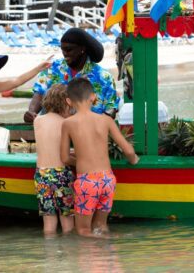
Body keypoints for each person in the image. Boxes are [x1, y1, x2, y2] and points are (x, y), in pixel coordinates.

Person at [60, 77, 138, 237]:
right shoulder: (106, 120)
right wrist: (134, 160)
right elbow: (129, 151)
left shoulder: (68, 123)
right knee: (101, 226)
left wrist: (81, 160)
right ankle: (108, 248)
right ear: (93, 97)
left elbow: (65, 158)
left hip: (87, 182)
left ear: (68, 101)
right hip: (108, 180)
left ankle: (110, 240)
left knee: (83, 231)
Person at [24, 28, 119, 123]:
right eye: (62, 50)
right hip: (54, 127)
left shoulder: (104, 77)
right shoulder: (52, 68)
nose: (65, 54)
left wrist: (99, 124)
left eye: (69, 50)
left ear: (82, 49)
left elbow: (111, 109)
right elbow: (39, 93)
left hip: (89, 129)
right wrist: (31, 112)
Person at [33, 84, 75, 235]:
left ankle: (49, 248)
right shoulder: (66, 123)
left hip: (42, 175)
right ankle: (69, 245)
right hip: (61, 173)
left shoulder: (38, 120)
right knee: (67, 219)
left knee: (49, 221)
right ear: (66, 102)